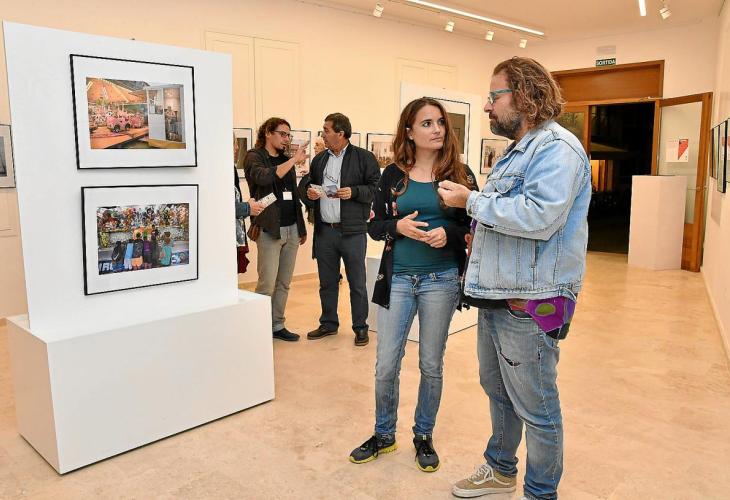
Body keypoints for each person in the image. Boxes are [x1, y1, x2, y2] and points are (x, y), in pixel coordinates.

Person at [438, 57, 591, 500]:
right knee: (498, 389)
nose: (487, 106)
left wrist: (471, 201)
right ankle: (500, 468)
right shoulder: (517, 151)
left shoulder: (558, 149)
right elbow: (508, 216)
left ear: (524, 96)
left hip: (532, 302)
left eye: (494, 96)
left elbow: (540, 217)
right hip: (498, 294)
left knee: (537, 405)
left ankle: (540, 492)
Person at [349, 98, 478, 472]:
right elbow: (374, 226)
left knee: (431, 364)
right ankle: (384, 434)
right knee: (386, 364)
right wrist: (398, 226)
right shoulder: (392, 176)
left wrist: (448, 233)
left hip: (442, 280)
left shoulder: (460, 174)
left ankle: (423, 435)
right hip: (399, 279)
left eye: (440, 122)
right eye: (427, 123)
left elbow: (474, 224)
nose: (437, 129)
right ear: (409, 131)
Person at [299, 113, 381, 346]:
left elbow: (375, 188)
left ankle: (360, 327)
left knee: (357, 282)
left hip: (353, 232)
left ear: (341, 133)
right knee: (327, 281)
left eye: (326, 130)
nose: (322, 135)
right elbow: (308, 185)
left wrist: (354, 192)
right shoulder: (319, 160)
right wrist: (309, 192)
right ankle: (328, 323)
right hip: (325, 231)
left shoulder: (364, 158)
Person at [243, 117, 308, 342]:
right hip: (270, 229)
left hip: (292, 228)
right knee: (267, 283)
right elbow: (263, 177)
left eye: (288, 135)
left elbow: (294, 195)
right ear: (268, 133)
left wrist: (301, 227)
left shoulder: (284, 160)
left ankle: (277, 324)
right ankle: (258, 329)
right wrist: (293, 161)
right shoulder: (254, 156)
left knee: (284, 283)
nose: (286, 139)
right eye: (282, 134)